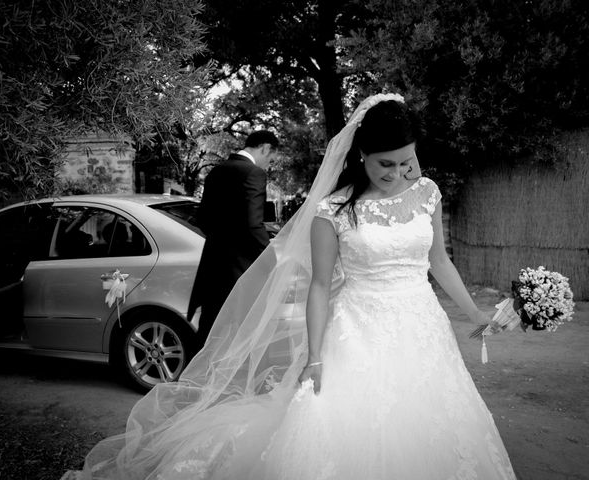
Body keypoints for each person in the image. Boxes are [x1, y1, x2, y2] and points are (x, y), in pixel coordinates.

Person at [73, 94, 516, 480]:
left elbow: (438, 260)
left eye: (406, 162)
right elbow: (321, 286)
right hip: (357, 331)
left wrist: (475, 313)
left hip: (424, 330)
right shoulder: (334, 210)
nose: (397, 173)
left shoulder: (427, 193)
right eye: (386, 163)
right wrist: (316, 357)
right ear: (361, 153)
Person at [188, 130, 279, 352]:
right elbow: (252, 224)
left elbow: (203, 219)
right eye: (270, 159)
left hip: (212, 269)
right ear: (265, 148)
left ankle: (198, 382)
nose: (268, 165)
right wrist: (272, 260)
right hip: (240, 271)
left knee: (210, 334)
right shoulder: (253, 173)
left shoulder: (216, 171)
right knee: (243, 339)